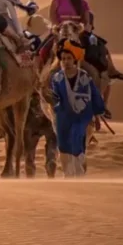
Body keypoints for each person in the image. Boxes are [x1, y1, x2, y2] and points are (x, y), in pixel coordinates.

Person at [47, 38, 110, 178]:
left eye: (69, 58)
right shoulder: (57, 78)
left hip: (81, 117)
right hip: (63, 117)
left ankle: (79, 175)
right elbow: (55, 97)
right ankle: (68, 176)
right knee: (63, 147)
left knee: (77, 141)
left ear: (75, 59)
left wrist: (99, 112)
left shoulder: (85, 77)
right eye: (63, 59)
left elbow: (94, 94)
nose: (66, 62)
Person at [49, 0, 123, 81]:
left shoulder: (83, 3)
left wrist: (85, 27)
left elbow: (86, 20)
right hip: (59, 30)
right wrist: (56, 25)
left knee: (101, 46)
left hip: (77, 31)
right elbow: (52, 13)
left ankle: (111, 70)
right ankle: (37, 79)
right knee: (42, 50)